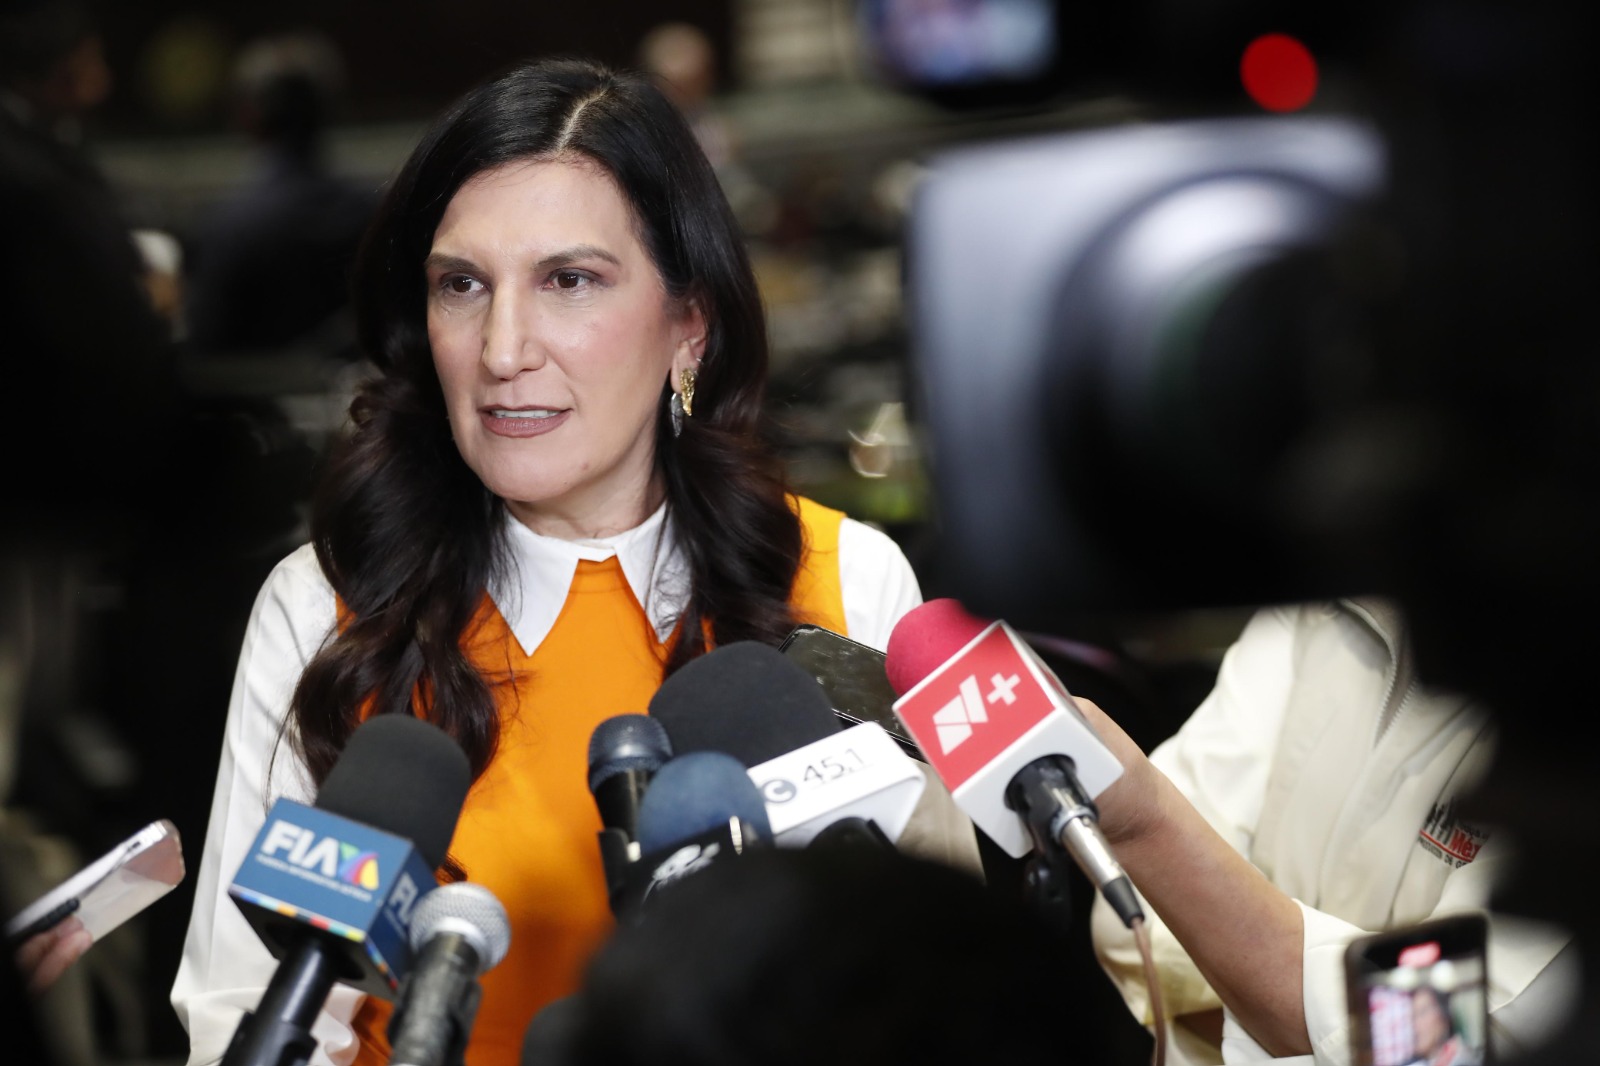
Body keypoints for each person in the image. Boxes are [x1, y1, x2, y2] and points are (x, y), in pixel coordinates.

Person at [170, 57, 978, 1066]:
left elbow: (931, 1002)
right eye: (462, 285)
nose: (503, 349)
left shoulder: (845, 578)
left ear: (690, 325)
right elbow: (242, 1011)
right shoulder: (327, 606)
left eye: (569, 281)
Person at [1082, 599, 1576, 1064]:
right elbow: (1123, 920)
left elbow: (1433, 1043)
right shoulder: (1323, 601)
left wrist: (1148, 825)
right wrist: (1297, 1025)